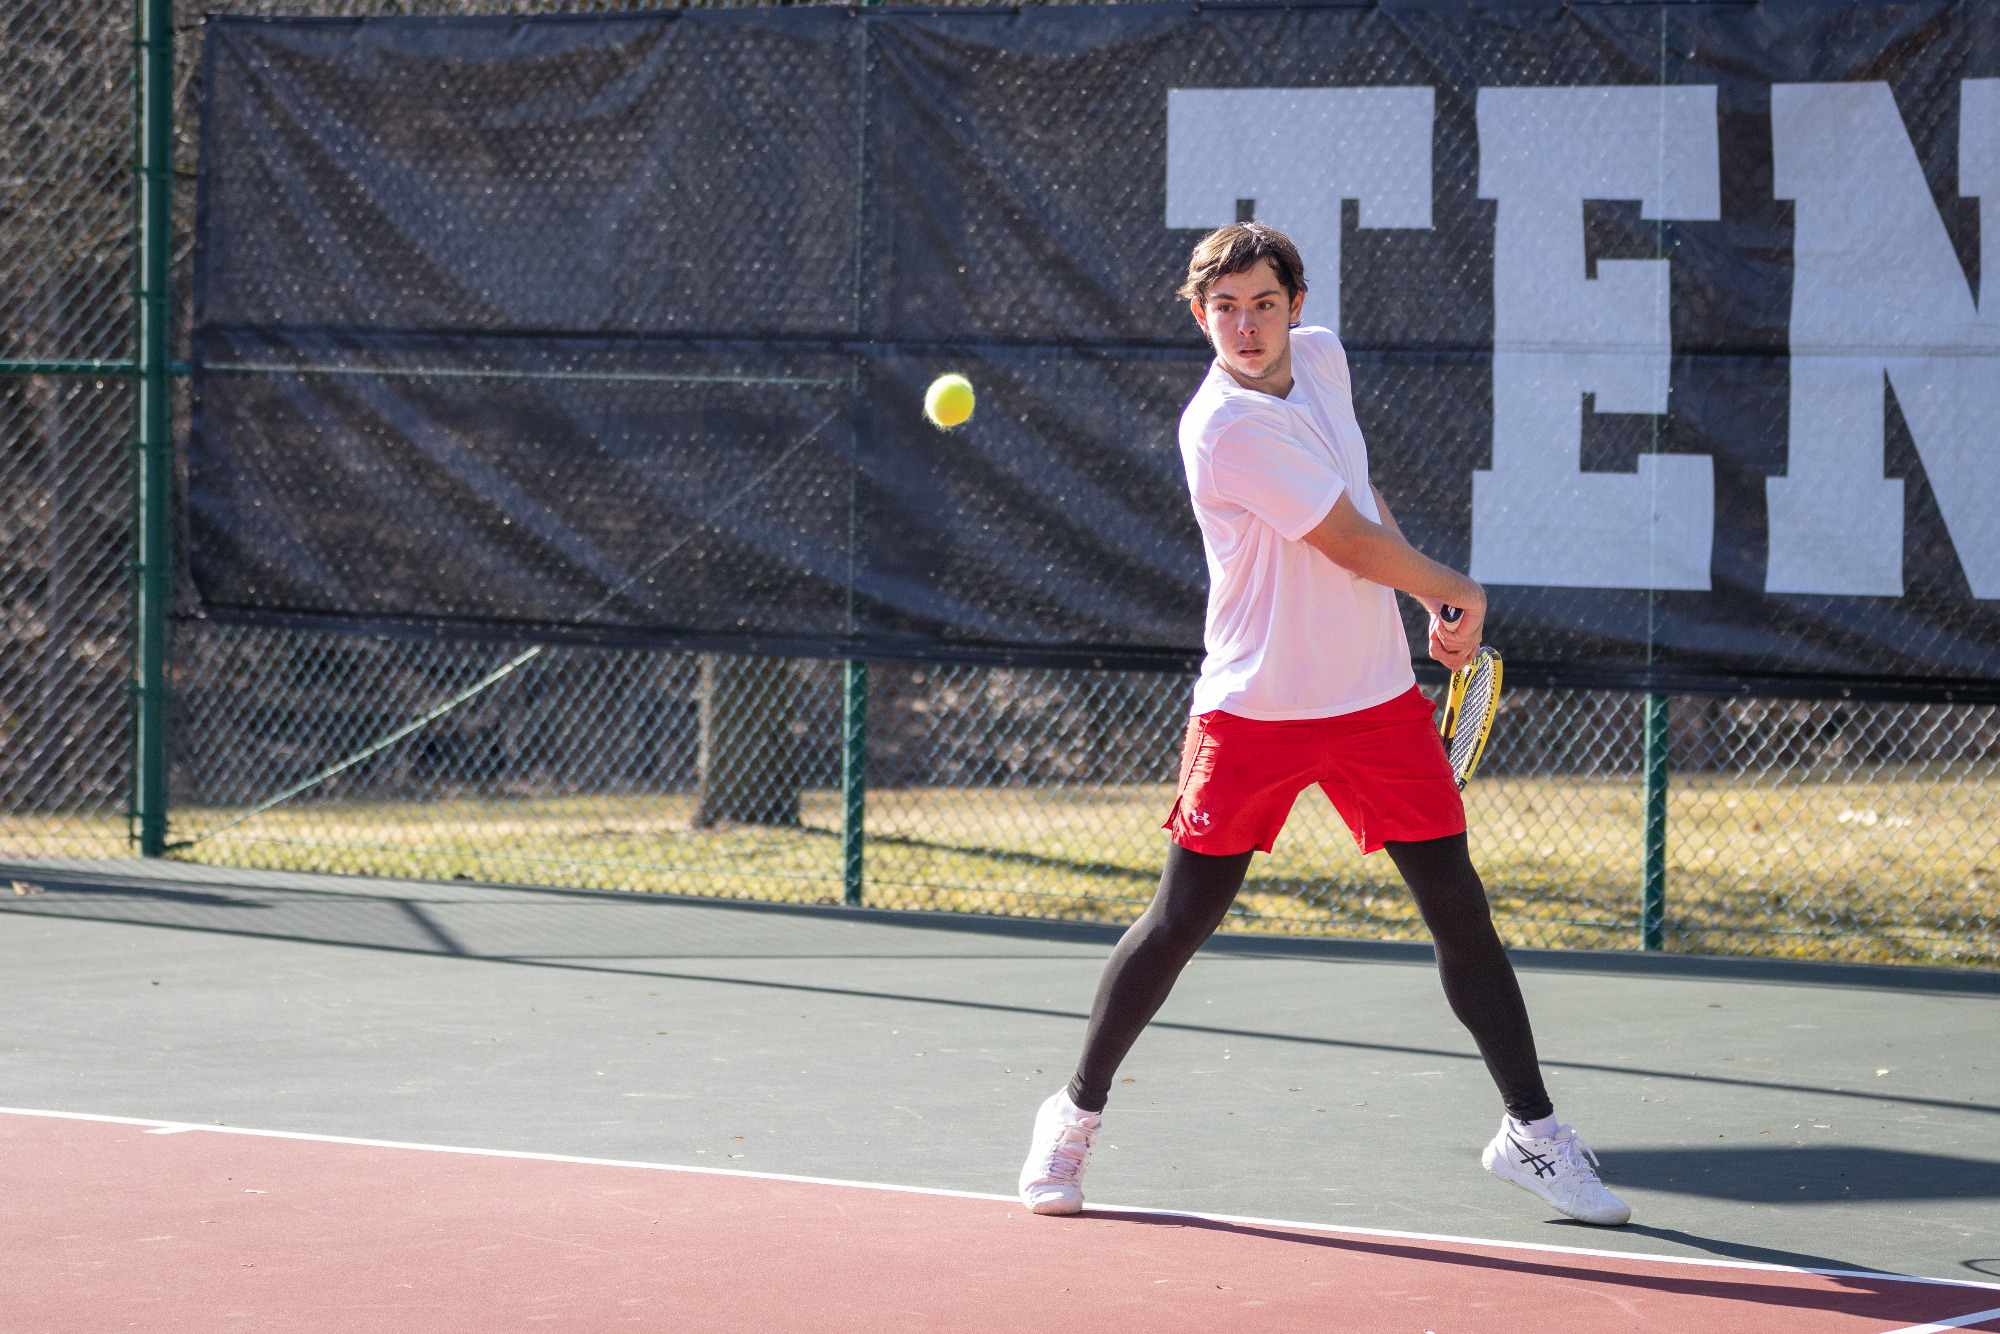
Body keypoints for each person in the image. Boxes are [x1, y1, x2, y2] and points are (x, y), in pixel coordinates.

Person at [1015, 223, 1628, 1228]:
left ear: (1294, 303)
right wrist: (1455, 585)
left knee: (1456, 907)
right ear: (1197, 313)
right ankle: (1071, 1113)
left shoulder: (1324, 359)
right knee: (1180, 921)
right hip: (1253, 708)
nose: (1244, 325)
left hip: (1373, 701)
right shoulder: (1222, 427)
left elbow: (1359, 495)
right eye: (1223, 308)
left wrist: (1422, 593)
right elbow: (1342, 543)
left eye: (1261, 303)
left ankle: (1531, 1131)